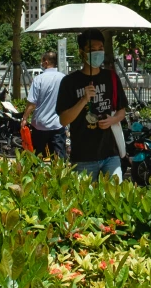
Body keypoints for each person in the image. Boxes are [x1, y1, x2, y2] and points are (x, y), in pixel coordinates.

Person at [55, 29, 128, 181]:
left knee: (116, 199)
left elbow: (122, 111)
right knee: (86, 203)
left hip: (110, 153)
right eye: (91, 49)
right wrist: (83, 99)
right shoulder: (69, 82)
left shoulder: (111, 77)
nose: (97, 53)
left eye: (100, 48)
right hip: (83, 157)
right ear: (82, 52)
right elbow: (64, 120)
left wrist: (111, 120)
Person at [21, 51, 66, 159]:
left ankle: (36, 175)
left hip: (39, 125)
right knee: (59, 160)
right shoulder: (64, 78)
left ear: (46, 62)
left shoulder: (38, 79)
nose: (41, 63)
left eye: (42, 61)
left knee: (35, 158)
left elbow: (32, 103)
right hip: (58, 125)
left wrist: (24, 118)